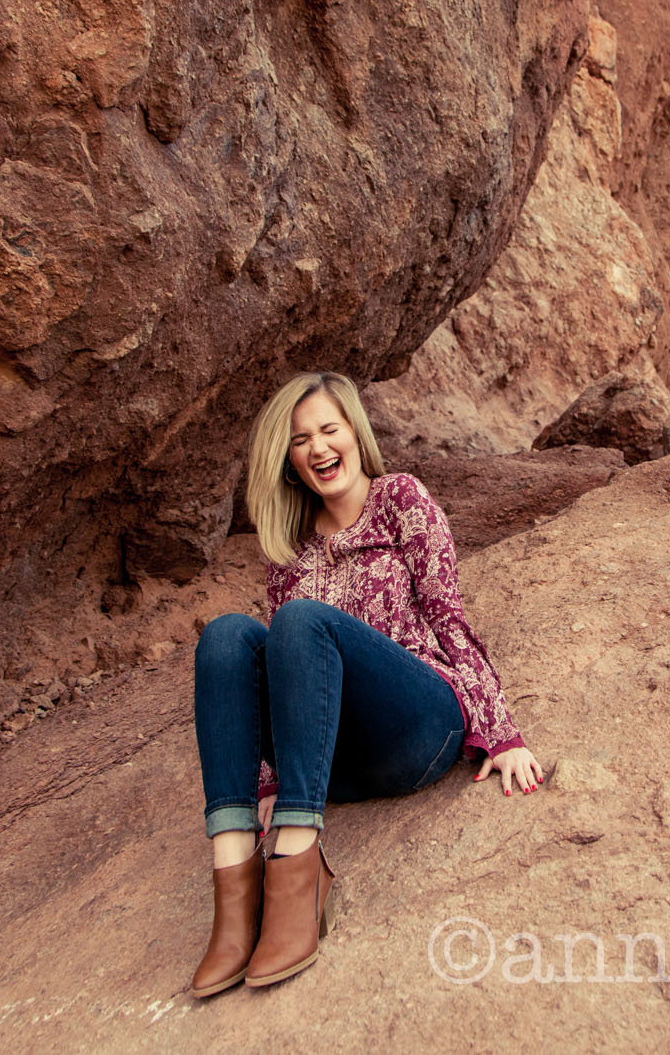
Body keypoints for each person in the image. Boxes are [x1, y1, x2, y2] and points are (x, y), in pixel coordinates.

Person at [190, 370, 544, 996]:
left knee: (299, 621)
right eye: (300, 440)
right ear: (289, 461)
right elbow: (288, 678)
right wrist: (269, 778)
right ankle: (235, 893)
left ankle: (298, 871)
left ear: (355, 432)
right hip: (331, 757)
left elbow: (448, 618)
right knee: (224, 637)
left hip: (416, 726)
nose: (319, 448)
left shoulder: (400, 499)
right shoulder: (289, 546)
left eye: (329, 429)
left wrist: (502, 732)